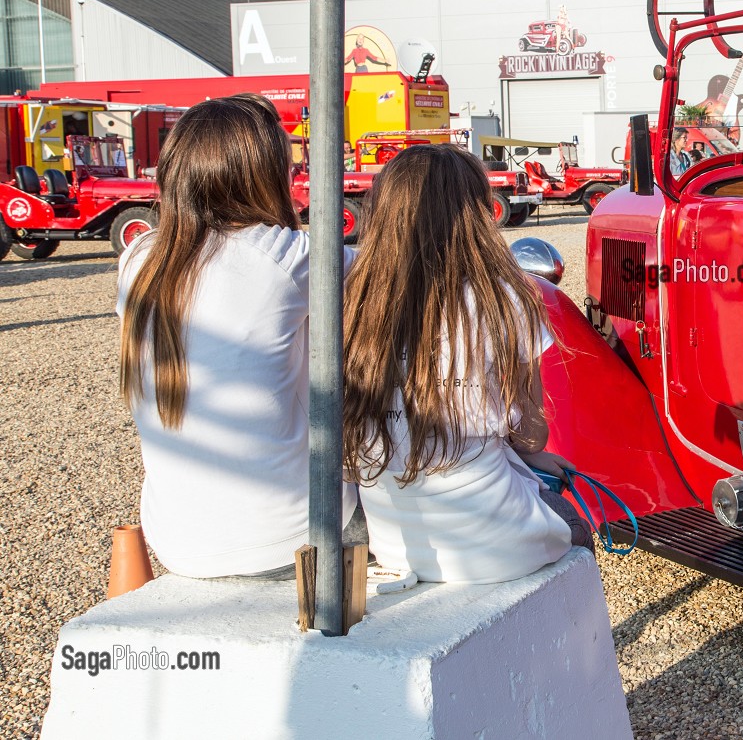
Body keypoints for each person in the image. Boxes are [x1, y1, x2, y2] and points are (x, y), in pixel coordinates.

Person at [117, 94, 358, 579]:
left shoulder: (139, 259)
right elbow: (400, 276)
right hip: (289, 536)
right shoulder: (286, 257)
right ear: (262, 174)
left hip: (175, 538)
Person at [341, 145, 588, 584]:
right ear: (475, 213)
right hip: (495, 545)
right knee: (576, 529)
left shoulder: (356, 299)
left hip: (394, 544)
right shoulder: (503, 299)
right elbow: (532, 435)